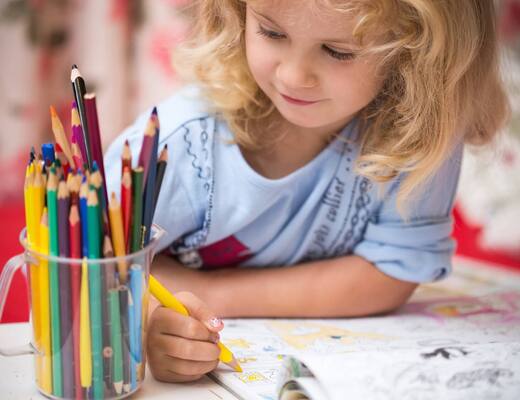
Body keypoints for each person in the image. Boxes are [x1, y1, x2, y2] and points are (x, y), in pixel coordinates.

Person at [104, 0, 509, 383]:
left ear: (414, 54)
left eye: (337, 51)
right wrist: (150, 321)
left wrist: (211, 292)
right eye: (271, 32)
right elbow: (93, 271)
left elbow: (391, 274)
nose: (293, 76)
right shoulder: (182, 145)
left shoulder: (419, 133)